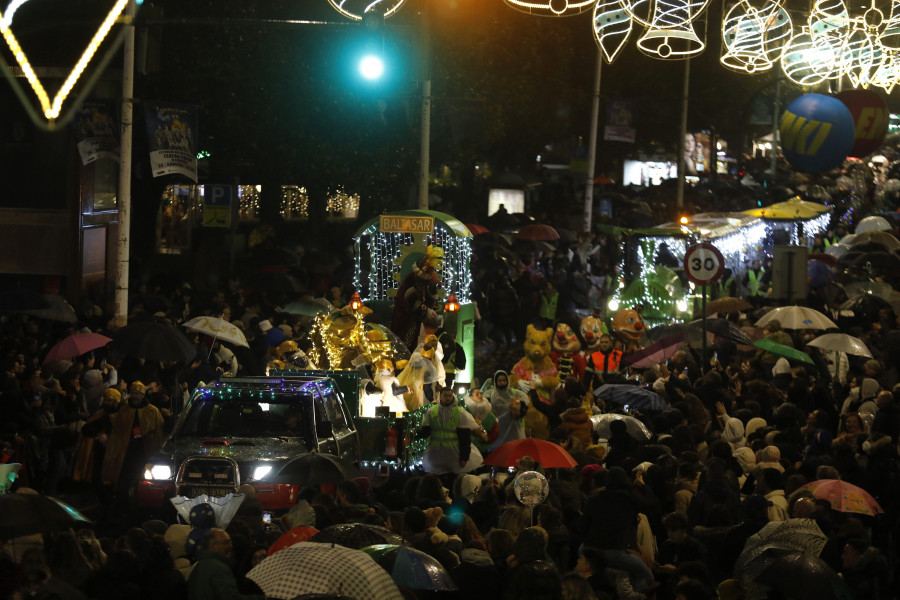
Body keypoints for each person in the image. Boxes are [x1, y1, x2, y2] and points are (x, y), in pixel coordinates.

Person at [100, 381, 164, 506]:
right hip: (126, 453)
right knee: (124, 479)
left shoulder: (152, 411)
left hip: (144, 452)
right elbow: (117, 433)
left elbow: (159, 432)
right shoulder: (124, 411)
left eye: (137, 393)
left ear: (142, 395)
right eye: (132, 393)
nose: (134, 396)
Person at [420, 387, 483, 476]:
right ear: (440, 396)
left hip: (453, 455)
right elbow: (426, 430)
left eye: (450, 395)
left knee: (452, 479)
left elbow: (465, 437)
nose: (448, 398)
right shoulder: (431, 411)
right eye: (445, 395)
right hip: (436, 454)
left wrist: (464, 457)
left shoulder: (459, 412)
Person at [187, 529, 264, 600]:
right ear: (214, 546)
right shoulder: (219, 568)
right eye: (226, 543)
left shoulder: (199, 566)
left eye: (230, 542)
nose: (230, 546)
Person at [484, 370, 527, 451]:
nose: (502, 382)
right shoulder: (490, 394)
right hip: (499, 430)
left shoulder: (515, 393)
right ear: (495, 382)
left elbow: (524, 406)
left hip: (515, 430)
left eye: (504, 380)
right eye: (500, 380)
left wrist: (518, 412)